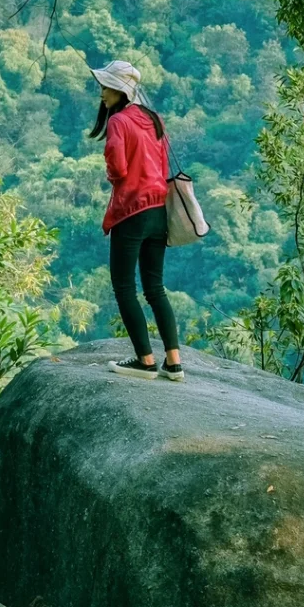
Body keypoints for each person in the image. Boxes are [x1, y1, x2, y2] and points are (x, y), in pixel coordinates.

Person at [90, 59, 185, 382]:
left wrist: (114, 176)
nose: (101, 93)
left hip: (131, 212)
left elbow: (117, 167)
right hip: (159, 211)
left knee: (124, 287)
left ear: (119, 90)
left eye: (105, 87)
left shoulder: (119, 122)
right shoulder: (154, 118)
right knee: (155, 287)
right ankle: (174, 362)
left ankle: (145, 361)